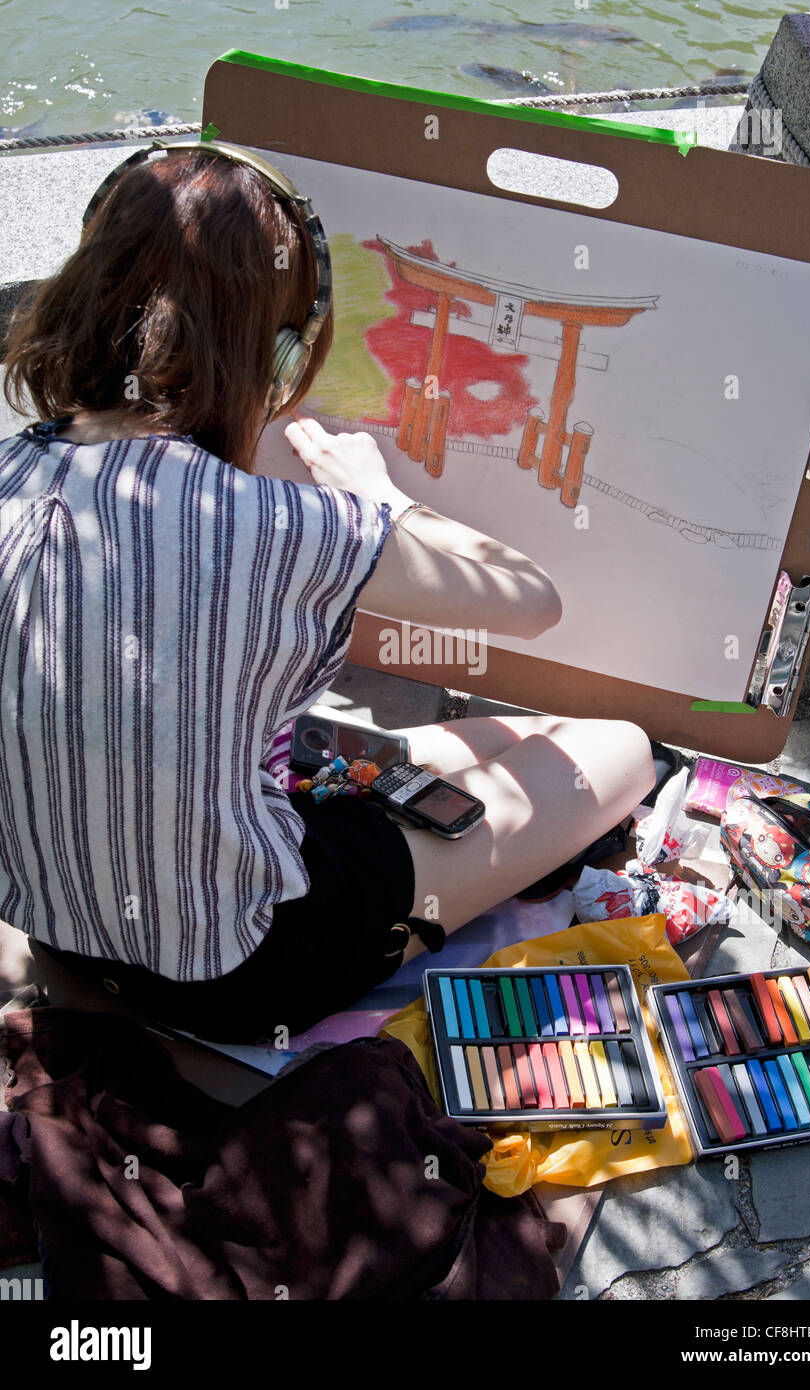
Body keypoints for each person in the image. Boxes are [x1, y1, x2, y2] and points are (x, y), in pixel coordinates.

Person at [0, 142, 655, 1042]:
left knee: (492, 743)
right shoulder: (278, 524)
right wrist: (381, 500)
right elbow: (530, 599)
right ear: (273, 354)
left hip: (58, 930)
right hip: (237, 970)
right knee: (620, 750)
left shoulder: (12, 471)